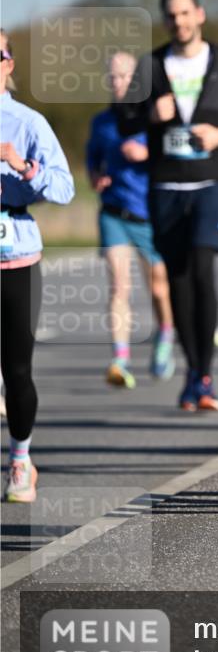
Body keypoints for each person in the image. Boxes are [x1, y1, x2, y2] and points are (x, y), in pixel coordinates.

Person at [117, 0, 218, 411]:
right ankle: (192, 372)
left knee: (202, 266)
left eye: (185, 13)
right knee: (176, 279)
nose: (179, 21)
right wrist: (146, 114)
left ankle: (206, 376)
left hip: (210, 183)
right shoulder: (151, 64)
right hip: (165, 186)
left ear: (200, 14)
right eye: (171, 16)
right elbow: (122, 120)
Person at [1, 30, 75, 502]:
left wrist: (23, 166)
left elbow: (65, 189)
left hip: (15, 259)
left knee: (17, 370)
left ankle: (21, 458)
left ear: (8, 64)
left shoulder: (27, 123)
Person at [86, 51, 174, 388]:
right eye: (113, 77)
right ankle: (120, 359)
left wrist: (147, 153)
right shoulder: (102, 122)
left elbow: (175, 158)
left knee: (158, 288)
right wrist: (96, 177)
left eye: (125, 77)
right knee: (119, 285)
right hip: (113, 214)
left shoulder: (153, 117)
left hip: (150, 213)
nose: (118, 83)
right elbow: (93, 161)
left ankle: (165, 334)